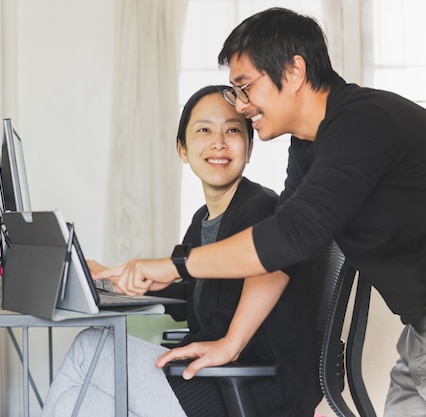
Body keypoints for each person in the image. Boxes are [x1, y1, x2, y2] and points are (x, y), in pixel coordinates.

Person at [98, 8, 426, 417]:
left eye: (245, 87)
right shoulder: (310, 147)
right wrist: (231, 343)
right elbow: (283, 251)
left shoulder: (362, 123)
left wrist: (178, 265)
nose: (242, 105)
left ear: (293, 72)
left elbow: (288, 236)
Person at [41, 85, 320, 417]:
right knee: (83, 403)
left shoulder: (259, 210)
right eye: (204, 130)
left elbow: (227, 321)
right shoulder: (203, 220)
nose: (218, 142)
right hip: (216, 382)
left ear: (249, 149)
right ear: (183, 149)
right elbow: (186, 289)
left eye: (232, 129)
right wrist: (110, 276)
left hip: (247, 391)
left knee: (91, 346)